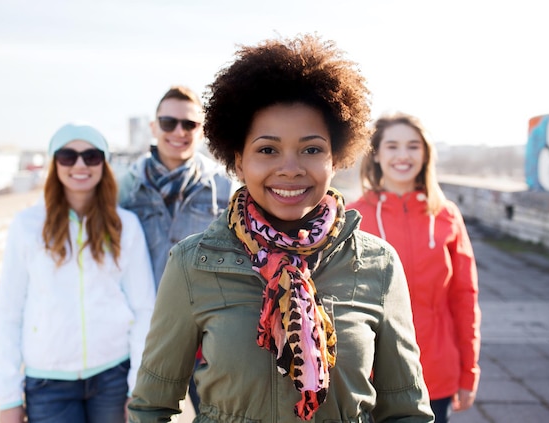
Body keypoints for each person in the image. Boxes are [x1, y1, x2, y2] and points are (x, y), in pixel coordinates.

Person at [128, 35, 434, 422]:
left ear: (335, 158)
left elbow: (407, 411)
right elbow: (151, 407)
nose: (290, 168)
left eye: (311, 149)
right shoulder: (193, 264)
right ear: (238, 161)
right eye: (267, 150)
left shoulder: (378, 264)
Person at [0, 122, 156, 423]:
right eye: (68, 156)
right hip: (47, 383)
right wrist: (8, 397)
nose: (80, 164)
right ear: (54, 164)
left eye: (91, 156)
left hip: (113, 375)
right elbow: (8, 312)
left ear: (103, 165)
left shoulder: (125, 225)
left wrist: (139, 387)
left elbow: (144, 307)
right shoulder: (27, 226)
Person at [346, 112, 481, 422]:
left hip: (436, 373)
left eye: (413, 146)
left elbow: (465, 298)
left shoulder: (447, 215)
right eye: (392, 146)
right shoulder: (353, 217)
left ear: (425, 154)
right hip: (369, 376)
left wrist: (468, 371)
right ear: (376, 154)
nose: (403, 156)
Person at [118, 85, 234, 414]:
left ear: (202, 131)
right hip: (145, 337)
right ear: (154, 128)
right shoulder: (125, 188)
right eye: (168, 123)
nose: (179, 132)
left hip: (207, 339)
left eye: (189, 124)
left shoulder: (224, 188)